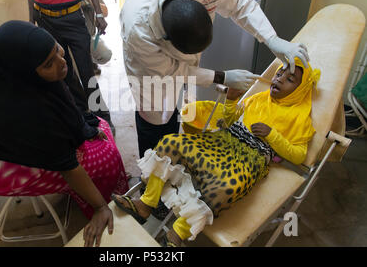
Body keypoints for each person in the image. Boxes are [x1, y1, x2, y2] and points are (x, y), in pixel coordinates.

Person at [112, 58, 320, 246]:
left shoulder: (300, 118)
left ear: (301, 90)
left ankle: (178, 231)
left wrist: (272, 135)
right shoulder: (259, 99)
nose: (280, 78)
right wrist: (230, 100)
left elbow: (299, 155)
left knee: (227, 187)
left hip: (250, 158)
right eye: (280, 73)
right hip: (222, 140)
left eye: (290, 79)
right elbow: (229, 121)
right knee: (171, 142)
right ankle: (146, 203)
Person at [120, 0, 310, 158]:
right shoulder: (139, 34)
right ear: (167, 39)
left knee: (171, 112)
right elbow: (173, 72)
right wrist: (222, 77)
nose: (279, 78)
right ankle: (150, 169)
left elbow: (240, 4)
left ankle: (169, 156)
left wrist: (272, 39)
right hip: (148, 72)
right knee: (154, 118)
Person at [0, 21, 129, 247]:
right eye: (48, 63)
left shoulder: (10, 75)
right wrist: (100, 207)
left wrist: (82, 127)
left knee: (97, 128)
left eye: (56, 49)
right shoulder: (32, 112)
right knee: (106, 156)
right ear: (26, 71)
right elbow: (67, 166)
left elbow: (68, 109)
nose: (61, 62)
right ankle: (103, 198)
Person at [17, 0, 114, 132]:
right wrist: (31, 20)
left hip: (74, 19)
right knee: (64, 72)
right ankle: (81, 116)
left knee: (87, 72)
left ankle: (103, 118)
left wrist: (99, 14)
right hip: (45, 19)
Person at [78, 0, 113, 76]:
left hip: (90, 36)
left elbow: (105, 12)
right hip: (74, 37)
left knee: (105, 55)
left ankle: (90, 59)